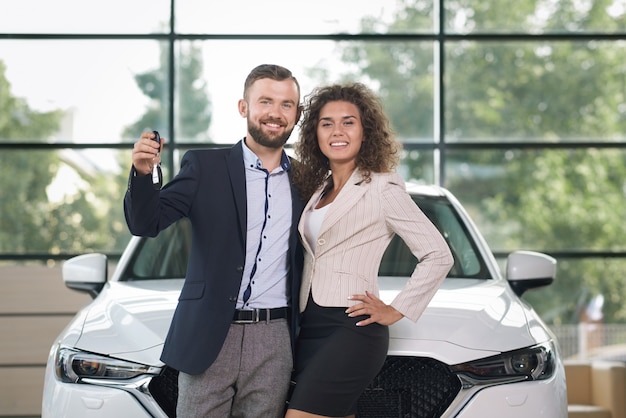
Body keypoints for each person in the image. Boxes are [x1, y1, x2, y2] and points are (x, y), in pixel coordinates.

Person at [124, 64, 305, 417]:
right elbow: (146, 223)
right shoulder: (205, 167)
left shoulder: (306, 180)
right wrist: (143, 175)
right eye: (265, 101)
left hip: (276, 338)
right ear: (244, 107)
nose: (275, 113)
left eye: (287, 104)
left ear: (296, 114)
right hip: (210, 332)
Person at [285, 83, 454, 418]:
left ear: (366, 131)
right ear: (315, 134)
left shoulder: (382, 187)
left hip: (352, 328)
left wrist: (396, 309)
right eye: (326, 123)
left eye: (348, 122)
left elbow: (438, 254)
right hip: (310, 325)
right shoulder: (317, 189)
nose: (337, 131)